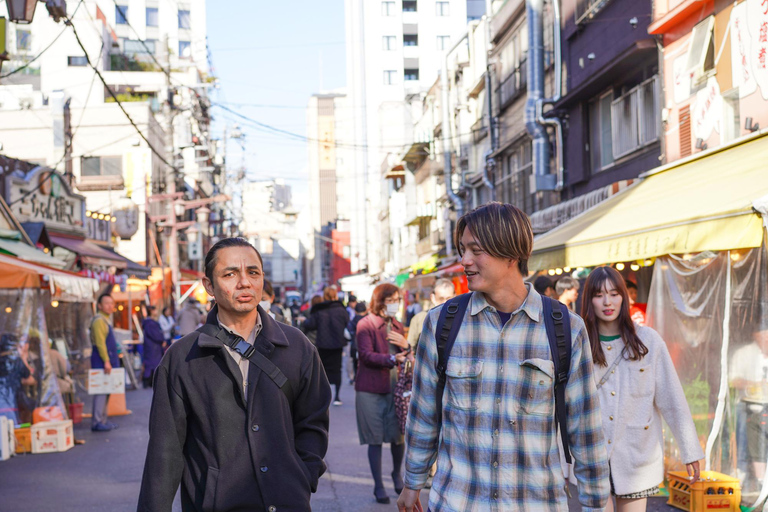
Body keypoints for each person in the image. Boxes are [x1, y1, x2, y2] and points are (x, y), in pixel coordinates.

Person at [398, 202, 610, 512]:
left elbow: (586, 428)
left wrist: (595, 504)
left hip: (536, 504)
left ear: (510, 253)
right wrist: (412, 481)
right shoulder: (442, 323)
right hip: (458, 503)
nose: (464, 261)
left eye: (475, 250)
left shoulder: (565, 328)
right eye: (462, 250)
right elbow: (424, 413)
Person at [138, 237, 331, 511]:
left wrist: (302, 476)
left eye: (253, 272)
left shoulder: (297, 346)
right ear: (209, 286)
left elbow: (314, 421)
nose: (244, 282)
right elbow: (164, 452)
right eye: (230, 274)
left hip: (287, 503)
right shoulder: (183, 357)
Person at [581, 266, 702, 512]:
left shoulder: (648, 341)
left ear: (624, 297)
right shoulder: (578, 343)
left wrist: (690, 450)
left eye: (614, 293)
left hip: (637, 455)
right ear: (589, 299)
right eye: (598, 294)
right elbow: (566, 405)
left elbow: (672, 398)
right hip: (591, 456)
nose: (607, 301)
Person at [356, 283, 411, 504]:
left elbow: (408, 354)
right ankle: (378, 485)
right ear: (380, 301)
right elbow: (365, 354)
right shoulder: (365, 324)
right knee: (375, 439)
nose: (395, 305)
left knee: (398, 438)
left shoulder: (397, 325)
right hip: (370, 388)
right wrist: (391, 359)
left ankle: (396, 474)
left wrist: (406, 347)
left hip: (396, 389)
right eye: (391, 300)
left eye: (397, 300)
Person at [729, 318, 768, 493]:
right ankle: (741, 476)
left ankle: (761, 480)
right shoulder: (744, 354)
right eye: (763, 337)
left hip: (765, 405)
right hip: (746, 404)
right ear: (756, 336)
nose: (766, 340)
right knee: (744, 440)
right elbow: (732, 380)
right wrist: (755, 384)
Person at [302, 286, 349, 405]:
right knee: (337, 369)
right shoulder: (341, 309)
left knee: (322, 370)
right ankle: (337, 397)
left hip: (322, 344)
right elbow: (347, 323)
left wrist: (304, 321)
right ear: (335, 296)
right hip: (338, 344)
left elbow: (311, 324)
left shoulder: (320, 310)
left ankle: (324, 396)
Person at [90, 293, 120, 432]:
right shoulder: (99, 321)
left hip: (108, 360)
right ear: (100, 305)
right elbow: (100, 343)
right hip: (101, 361)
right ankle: (97, 421)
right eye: (106, 303)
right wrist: (106, 361)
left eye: (111, 303)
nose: (110, 306)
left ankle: (103, 420)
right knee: (101, 390)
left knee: (107, 389)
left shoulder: (106, 320)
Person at [407, 279, 456, 350]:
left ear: (455, 296)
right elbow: (410, 347)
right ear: (433, 297)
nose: (446, 303)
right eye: (441, 299)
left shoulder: (461, 318)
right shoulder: (419, 319)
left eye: (449, 299)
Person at [0, 334, 36, 424]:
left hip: (6, 403)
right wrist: (23, 356)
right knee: (12, 430)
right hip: (12, 403)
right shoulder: (16, 361)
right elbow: (30, 379)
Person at [141, 306, 165, 389]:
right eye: (155, 310)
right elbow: (155, 335)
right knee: (153, 364)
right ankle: (149, 381)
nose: (156, 312)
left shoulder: (148, 322)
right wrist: (161, 339)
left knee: (150, 364)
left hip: (151, 346)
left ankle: (149, 381)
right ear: (151, 311)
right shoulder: (150, 323)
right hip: (153, 346)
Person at [346, 301, 368, 384]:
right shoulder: (369, 321)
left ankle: (356, 377)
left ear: (355, 311)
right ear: (365, 311)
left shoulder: (352, 322)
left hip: (355, 346)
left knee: (355, 364)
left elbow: (347, 333)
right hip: (366, 346)